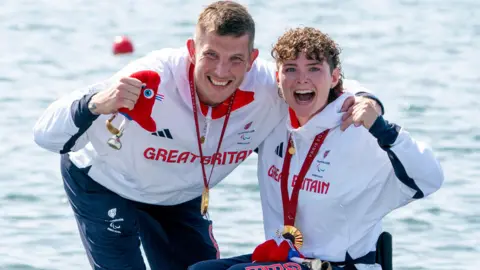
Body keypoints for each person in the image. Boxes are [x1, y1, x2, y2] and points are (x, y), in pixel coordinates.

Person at [32, 2, 383, 270]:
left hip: (179, 195)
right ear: (191, 50)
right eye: (210, 55)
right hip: (106, 185)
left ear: (252, 60)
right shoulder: (151, 79)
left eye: (235, 60)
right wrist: (95, 104)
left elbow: (324, 84)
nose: (221, 71)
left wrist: (369, 102)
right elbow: (46, 135)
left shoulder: (266, 86)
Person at [188, 27, 444, 270]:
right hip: (287, 258)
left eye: (314, 69)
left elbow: (429, 178)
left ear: (334, 77)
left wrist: (383, 129)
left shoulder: (358, 129)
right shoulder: (273, 120)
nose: (302, 79)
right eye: (291, 69)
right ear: (278, 77)